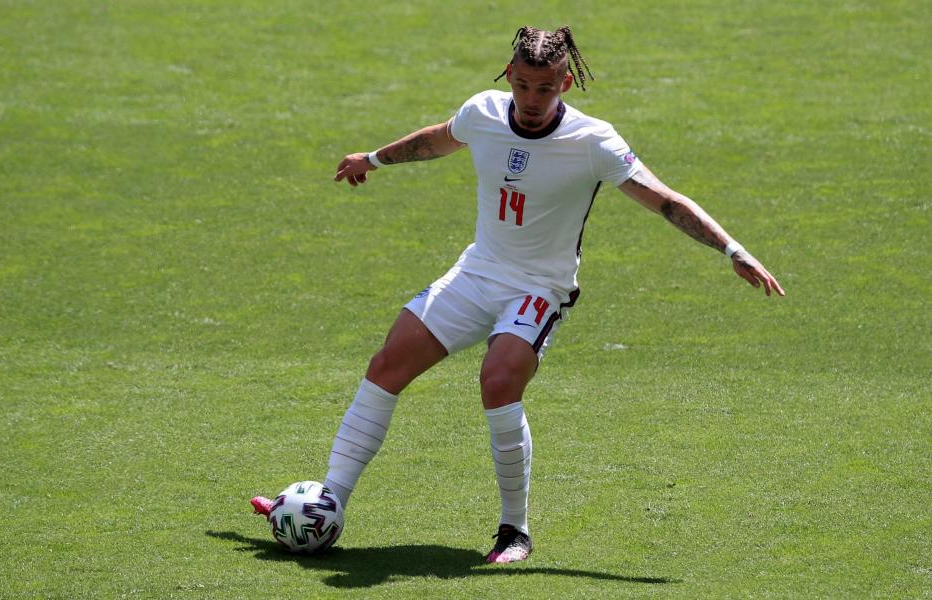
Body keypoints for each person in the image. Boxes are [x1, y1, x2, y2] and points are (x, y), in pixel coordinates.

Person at [252, 25, 785, 564]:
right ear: (509, 76)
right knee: (388, 363)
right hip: (477, 273)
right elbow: (438, 138)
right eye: (524, 86)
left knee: (499, 379)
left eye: (545, 89)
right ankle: (328, 503)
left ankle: (515, 531)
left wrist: (732, 250)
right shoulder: (483, 112)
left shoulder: (594, 141)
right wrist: (373, 158)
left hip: (539, 289)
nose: (532, 100)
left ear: (566, 83)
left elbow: (665, 200)